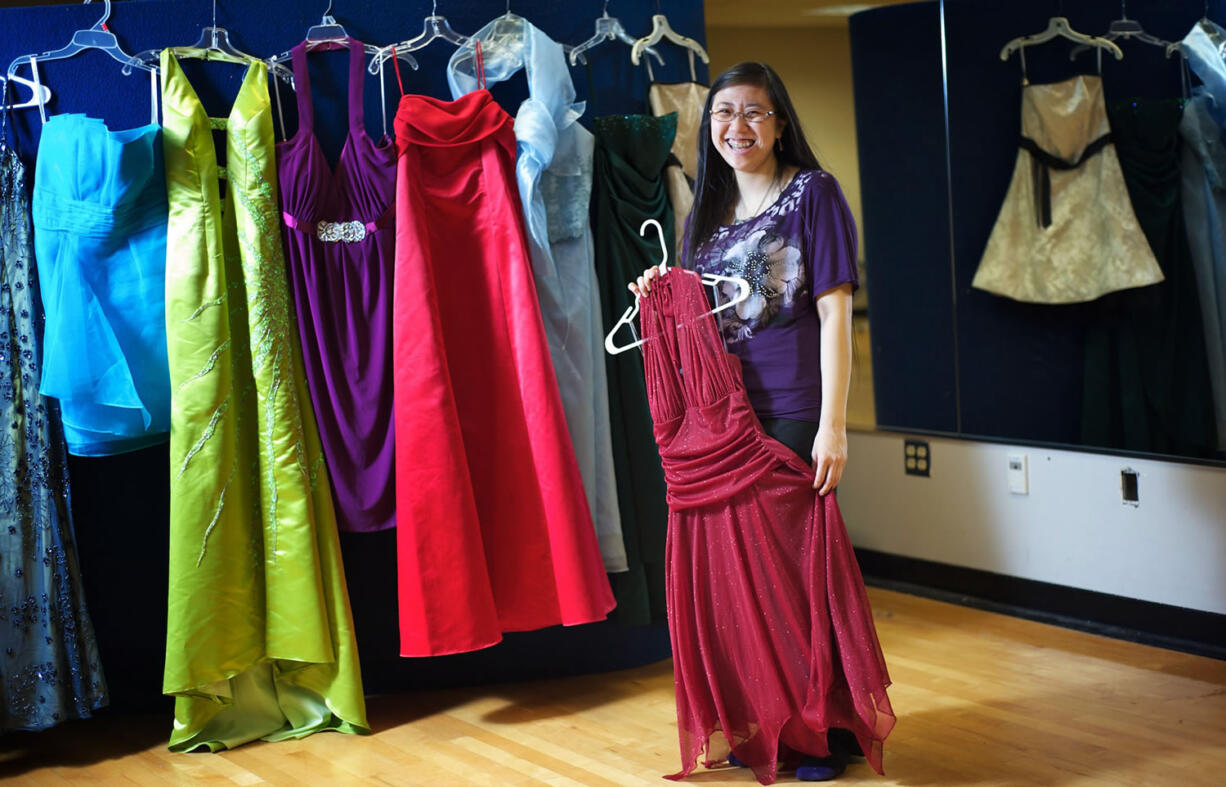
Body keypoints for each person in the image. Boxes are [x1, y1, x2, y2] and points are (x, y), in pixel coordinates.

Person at [629, 62, 879, 782]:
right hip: (721, 415)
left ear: (778, 122)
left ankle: (817, 732)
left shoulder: (813, 193)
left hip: (794, 405)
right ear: (708, 129)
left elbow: (836, 316)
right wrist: (657, 286)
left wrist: (834, 423)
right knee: (736, 580)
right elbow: (690, 317)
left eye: (753, 113)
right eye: (722, 114)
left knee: (793, 578)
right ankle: (766, 721)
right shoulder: (699, 220)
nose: (737, 127)